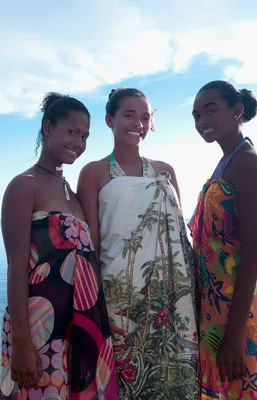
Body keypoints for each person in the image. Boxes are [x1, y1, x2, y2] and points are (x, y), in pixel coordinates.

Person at [77, 88, 199, 399]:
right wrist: (95, 302)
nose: (138, 123)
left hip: (168, 296)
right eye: (129, 115)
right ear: (109, 120)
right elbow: (90, 242)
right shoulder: (93, 172)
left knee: (169, 373)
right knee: (124, 378)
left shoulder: (165, 171)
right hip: (118, 294)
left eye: (144, 117)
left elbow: (179, 237)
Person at [0, 92, 117, 399]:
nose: (79, 143)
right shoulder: (23, 185)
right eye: (72, 132)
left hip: (78, 323)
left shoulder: (70, 191)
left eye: (85, 136)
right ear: (48, 127)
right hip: (39, 323)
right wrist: (23, 341)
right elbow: (15, 266)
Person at [188, 80, 257, 400]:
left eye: (210, 110)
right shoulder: (225, 161)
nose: (201, 121)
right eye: (196, 115)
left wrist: (235, 334)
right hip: (217, 303)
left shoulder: (246, 161)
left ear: (236, 111)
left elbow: (253, 253)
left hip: (241, 307)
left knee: (245, 392)